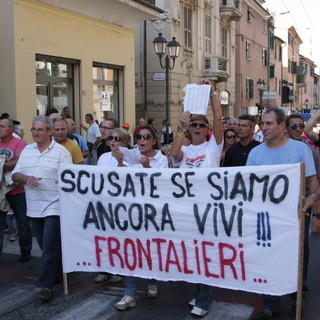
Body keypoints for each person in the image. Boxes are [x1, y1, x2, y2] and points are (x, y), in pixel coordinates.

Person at [247, 108, 320, 320]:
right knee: (267, 256)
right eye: (263, 123)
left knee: (297, 256)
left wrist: (313, 203)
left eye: (269, 124)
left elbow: (314, 186)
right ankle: (271, 303)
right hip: (265, 217)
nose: (265, 128)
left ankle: (297, 292)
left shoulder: (301, 150)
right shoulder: (255, 153)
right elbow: (248, 186)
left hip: (295, 216)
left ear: (281, 126)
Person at [170, 79, 223, 317]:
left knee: (204, 253)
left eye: (202, 125)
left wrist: (212, 93)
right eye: (194, 125)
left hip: (207, 210)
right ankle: (200, 293)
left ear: (207, 129)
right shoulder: (187, 149)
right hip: (186, 210)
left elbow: (220, 119)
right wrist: (180, 127)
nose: (198, 127)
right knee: (191, 252)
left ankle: (204, 300)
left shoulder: (213, 147)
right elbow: (174, 154)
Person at [12, 115, 72, 301]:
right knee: (46, 246)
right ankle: (58, 271)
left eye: (39, 130)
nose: (35, 133)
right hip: (33, 206)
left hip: (55, 205)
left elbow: (70, 179)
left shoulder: (62, 152)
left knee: (49, 245)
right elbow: (15, 175)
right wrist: (25, 179)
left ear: (49, 131)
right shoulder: (27, 150)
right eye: (33, 129)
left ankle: (45, 285)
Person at [113, 125, 168, 310]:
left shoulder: (161, 159)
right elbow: (121, 180)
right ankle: (129, 293)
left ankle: (152, 281)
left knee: (150, 250)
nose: (142, 140)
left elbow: (161, 184)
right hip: (131, 212)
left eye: (146, 136)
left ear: (154, 140)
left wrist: (147, 166)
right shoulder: (131, 155)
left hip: (153, 214)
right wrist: (120, 163)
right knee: (130, 250)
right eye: (139, 136)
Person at [286, 114, 320, 290]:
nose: (299, 130)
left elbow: (317, 185)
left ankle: (301, 281)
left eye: (301, 126)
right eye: (294, 127)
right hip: (281, 207)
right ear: (286, 128)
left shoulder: (311, 152)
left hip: (303, 206)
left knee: (302, 245)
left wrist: (317, 215)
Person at [94, 127, 131, 285]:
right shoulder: (103, 157)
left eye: (117, 139)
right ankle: (104, 269)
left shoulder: (131, 157)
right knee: (104, 237)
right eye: (111, 139)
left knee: (120, 238)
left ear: (125, 142)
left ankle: (119, 269)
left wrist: (121, 162)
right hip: (104, 202)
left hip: (122, 204)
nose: (113, 142)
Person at [0, 118, 32, 262]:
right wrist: (6, 163)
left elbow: (18, 163)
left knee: (22, 222)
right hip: (1, 189)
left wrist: (4, 164)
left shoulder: (20, 143)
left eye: (2, 126)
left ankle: (25, 251)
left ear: (10, 129)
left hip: (16, 189)